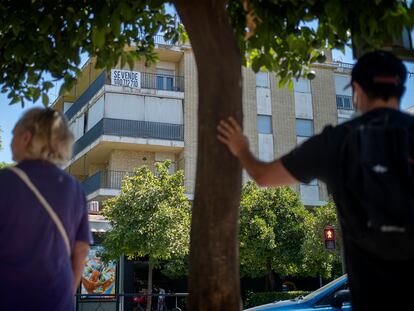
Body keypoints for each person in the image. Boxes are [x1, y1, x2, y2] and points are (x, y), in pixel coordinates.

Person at [217, 50, 414, 311]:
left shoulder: (335, 141)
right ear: (401, 87)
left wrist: (241, 147)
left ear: (356, 90)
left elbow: (262, 176)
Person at [0, 108, 92, 310]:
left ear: (26, 138)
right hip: (57, 300)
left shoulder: (5, 182)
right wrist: (65, 295)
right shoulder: (75, 188)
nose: (10, 142)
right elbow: (82, 249)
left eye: (13, 135)